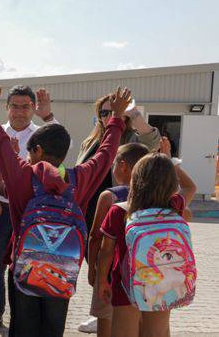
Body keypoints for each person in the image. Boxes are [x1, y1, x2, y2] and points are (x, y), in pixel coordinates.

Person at [0, 86, 130, 337]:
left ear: (36, 151)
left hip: (23, 270)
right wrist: (117, 119)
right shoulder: (79, 179)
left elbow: (0, 145)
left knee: (23, 328)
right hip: (62, 271)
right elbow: (106, 153)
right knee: (53, 328)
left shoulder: (23, 176)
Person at [0, 85, 57, 332]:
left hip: (30, 212)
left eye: (25, 106)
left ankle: (23, 317)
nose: (20, 111)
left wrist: (49, 116)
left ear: (33, 108)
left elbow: (63, 144)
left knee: (27, 264)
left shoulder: (43, 134)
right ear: (7, 109)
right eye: (15, 106)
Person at [76, 93, 160, 334]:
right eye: (103, 112)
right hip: (93, 210)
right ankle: (104, 308)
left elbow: (152, 140)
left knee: (118, 264)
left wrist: (132, 115)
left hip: (121, 210)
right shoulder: (90, 141)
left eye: (113, 111)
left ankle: (119, 316)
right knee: (99, 264)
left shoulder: (133, 140)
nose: (108, 116)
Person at [97, 151, 196, 337]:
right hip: (162, 284)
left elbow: (106, 251)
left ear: (136, 177)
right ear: (171, 182)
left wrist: (102, 279)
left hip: (125, 284)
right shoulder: (174, 206)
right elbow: (191, 187)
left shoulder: (120, 210)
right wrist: (171, 162)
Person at [85, 143, 150, 337]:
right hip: (144, 272)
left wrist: (92, 269)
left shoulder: (110, 196)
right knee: (138, 322)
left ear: (123, 165)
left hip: (111, 273)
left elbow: (96, 236)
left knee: (106, 320)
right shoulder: (155, 196)